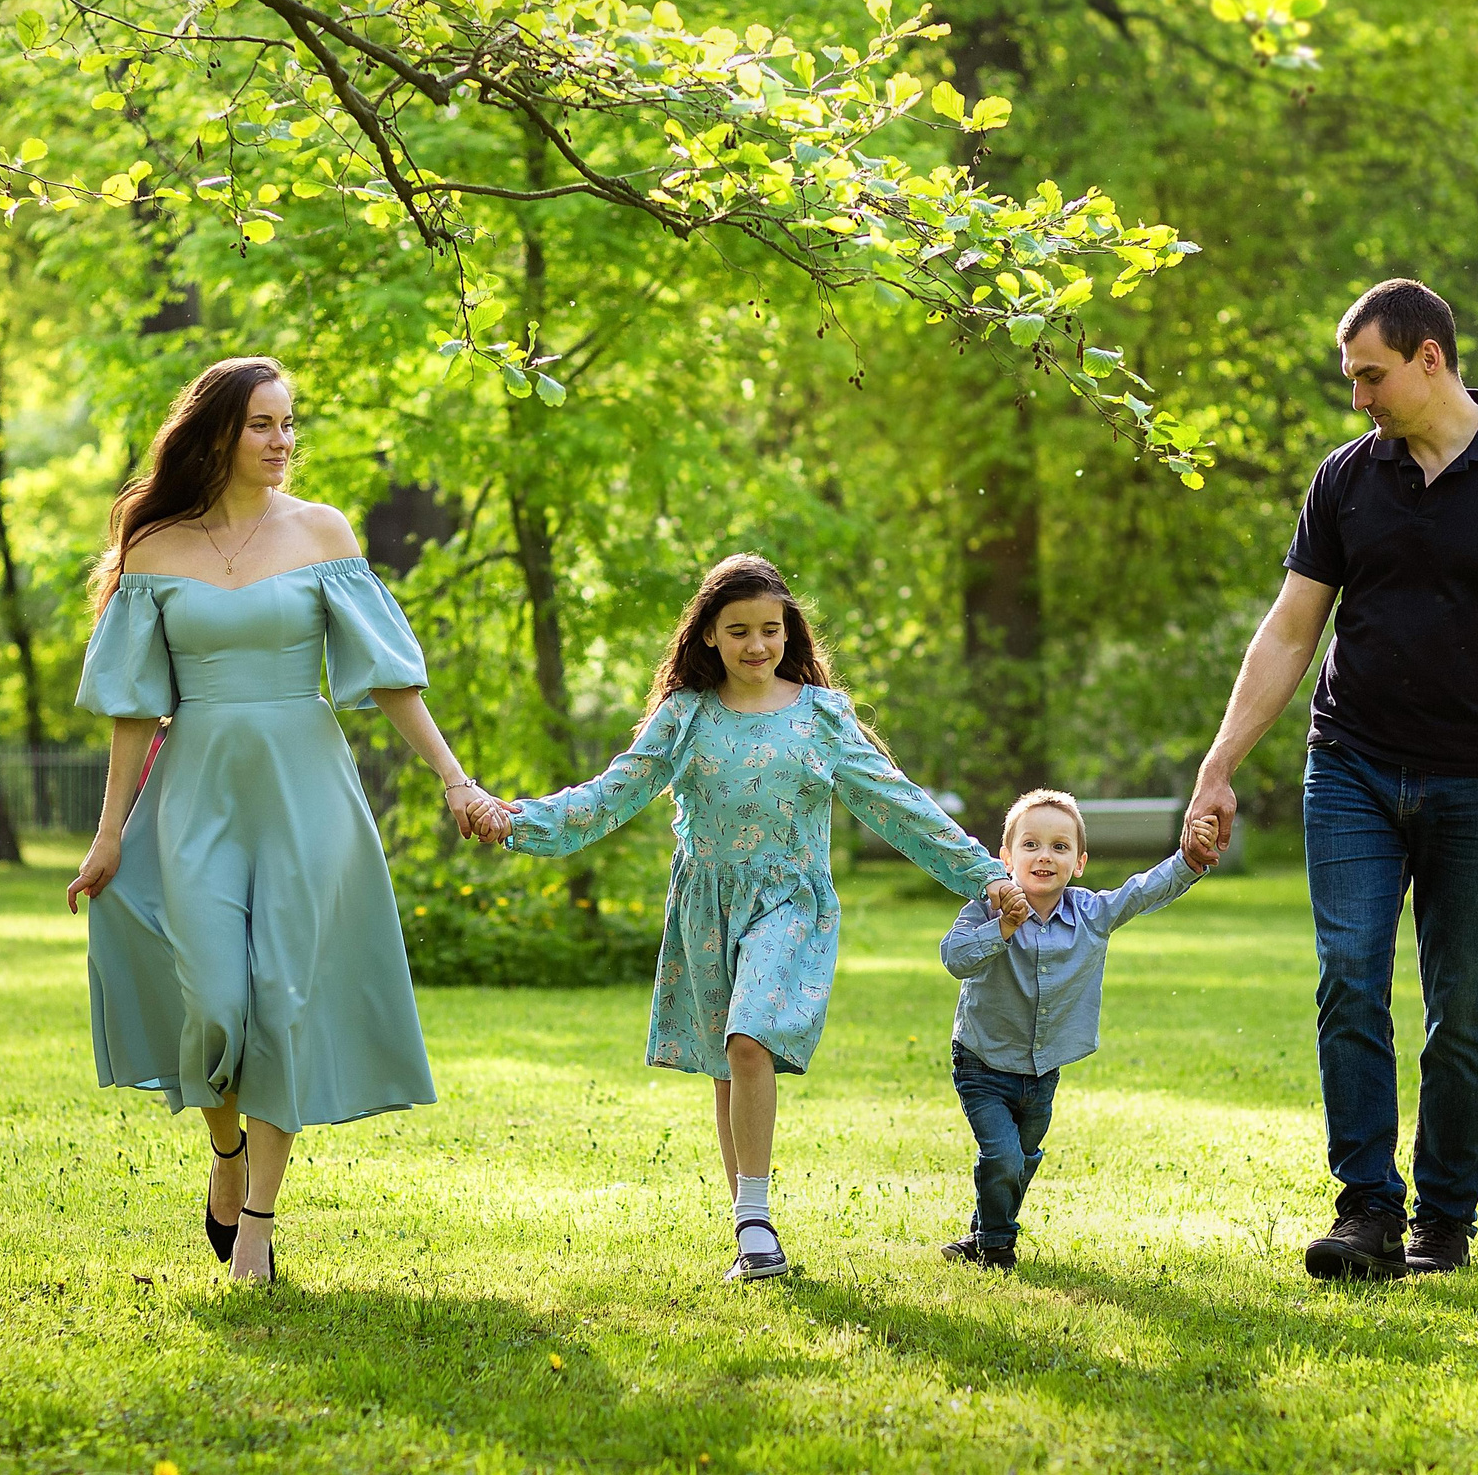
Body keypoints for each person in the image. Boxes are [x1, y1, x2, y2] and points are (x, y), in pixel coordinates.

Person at [1183, 279, 1478, 1281]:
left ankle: (1445, 1224)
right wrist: (1219, 765)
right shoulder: (1346, 480)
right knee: (1348, 978)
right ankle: (1368, 1210)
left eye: (1371, 376)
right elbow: (1291, 628)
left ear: (1430, 358)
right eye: (1351, 379)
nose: (1359, 399)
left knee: (1460, 1007)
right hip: (1351, 767)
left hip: (1476, 778)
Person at [64, 356, 509, 1286]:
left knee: (283, 1003)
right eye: (264, 424)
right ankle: (225, 1154)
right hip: (194, 794)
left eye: (289, 424)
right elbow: (133, 712)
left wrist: (456, 780)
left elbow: (388, 677)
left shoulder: (320, 531)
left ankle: (258, 1227)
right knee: (214, 1001)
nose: (282, 443)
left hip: (307, 794)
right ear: (218, 433)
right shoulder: (156, 548)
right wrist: (109, 836)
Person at [497, 553, 1032, 1282]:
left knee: (749, 1040)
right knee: (729, 1062)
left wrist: (988, 875)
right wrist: (514, 822)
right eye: (739, 630)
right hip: (707, 906)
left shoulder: (821, 716)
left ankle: (756, 1221)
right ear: (709, 635)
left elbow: (900, 806)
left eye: (770, 629)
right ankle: (750, 1227)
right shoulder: (684, 715)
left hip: (789, 903)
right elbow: (610, 794)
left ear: (790, 631)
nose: (757, 645)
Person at [939, 789, 1222, 1271]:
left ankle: (982, 1234)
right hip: (982, 1062)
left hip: (1043, 1068)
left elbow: (1142, 891)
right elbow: (955, 958)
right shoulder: (984, 909)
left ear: (1080, 862)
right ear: (1005, 859)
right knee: (1003, 1155)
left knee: (1023, 1159)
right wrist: (1003, 928)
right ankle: (998, 1247)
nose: (1044, 856)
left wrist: (1189, 860)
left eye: (1059, 846)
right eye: (1030, 845)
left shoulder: (1092, 914)